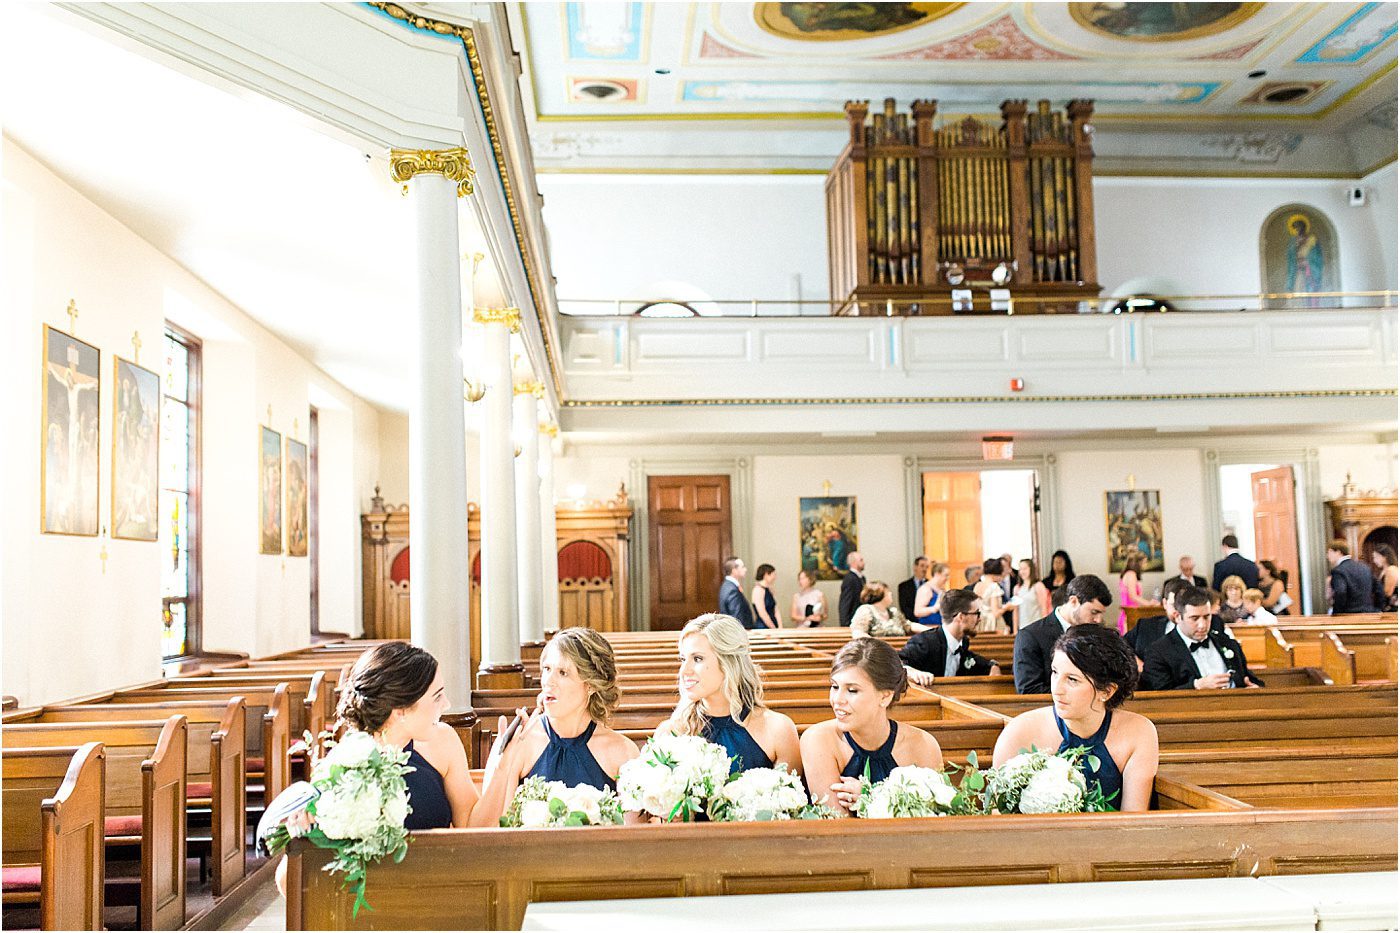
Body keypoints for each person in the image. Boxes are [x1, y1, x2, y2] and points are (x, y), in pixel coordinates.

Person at [272, 643, 476, 894]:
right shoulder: (345, 768)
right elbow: (287, 885)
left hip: (436, 892)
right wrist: (302, 837)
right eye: (437, 696)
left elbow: (473, 827)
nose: (446, 704)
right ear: (400, 711)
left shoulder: (442, 741)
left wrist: (503, 768)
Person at [471, 628, 640, 825]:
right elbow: (491, 831)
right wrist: (503, 764)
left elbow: (633, 843)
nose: (548, 681)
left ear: (591, 685)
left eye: (563, 673)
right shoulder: (519, 744)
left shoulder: (623, 752)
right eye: (547, 669)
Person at [993, 625, 1159, 812]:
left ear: (1107, 691)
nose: (1057, 688)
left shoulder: (1139, 731)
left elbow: (1134, 821)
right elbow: (998, 816)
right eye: (1055, 672)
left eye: (1072, 679)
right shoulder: (1020, 732)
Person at [798, 638, 943, 817]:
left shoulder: (923, 745)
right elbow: (836, 828)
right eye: (835, 687)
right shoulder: (818, 739)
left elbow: (932, 823)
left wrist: (873, 798)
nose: (837, 700)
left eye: (852, 690)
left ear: (885, 697)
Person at [654, 614, 801, 775]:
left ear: (728, 663)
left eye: (697, 659)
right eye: (683, 659)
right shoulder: (671, 732)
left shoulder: (778, 729)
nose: (684, 671)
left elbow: (792, 796)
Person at [1141, 587, 1263, 691]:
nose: (1202, 625)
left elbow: (1251, 680)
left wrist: (1254, 688)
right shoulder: (1158, 652)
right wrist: (1196, 686)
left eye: (1206, 617)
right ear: (1178, 617)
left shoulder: (1228, 644)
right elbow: (1158, 696)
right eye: (1194, 618)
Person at [1013, 574, 1113, 694]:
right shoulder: (1030, 636)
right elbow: (1029, 690)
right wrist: (1080, 694)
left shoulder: (1097, 633)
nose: (1098, 619)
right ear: (1074, 601)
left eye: (1101, 613)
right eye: (1094, 612)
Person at [899, 589, 1001, 685]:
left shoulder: (963, 642)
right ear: (961, 617)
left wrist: (993, 666)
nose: (979, 619)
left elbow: (975, 660)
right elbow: (895, 663)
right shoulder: (925, 642)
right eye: (977, 613)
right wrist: (912, 672)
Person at [850, 580, 928, 638]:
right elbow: (858, 633)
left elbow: (908, 626)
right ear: (878, 594)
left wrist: (931, 631)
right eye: (887, 592)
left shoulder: (893, 612)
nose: (890, 594)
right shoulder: (866, 610)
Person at [1327, 540, 1377, 614]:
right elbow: (1378, 589)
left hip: (1348, 614)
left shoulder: (1338, 570)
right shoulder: (1365, 567)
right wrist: (1377, 608)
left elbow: (1340, 592)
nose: (1327, 556)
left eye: (1329, 552)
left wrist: (1337, 613)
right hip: (1368, 612)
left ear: (1338, 552)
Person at [1117, 551, 1159, 635]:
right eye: (1144, 562)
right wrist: (1149, 604)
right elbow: (1133, 596)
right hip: (1130, 614)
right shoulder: (1131, 574)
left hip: (1131, 612)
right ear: (1138, 563)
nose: (1145, 565)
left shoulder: (1129, 574)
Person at [1007, 558, 1048, 632]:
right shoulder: (1017, 589)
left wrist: (1045, 628)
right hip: (1023, 627)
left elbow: (1044, 608)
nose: (1022, 571)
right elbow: (1015, 611)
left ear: (1031, 569)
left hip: (1037, 626)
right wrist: (1015, 630)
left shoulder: (1038, 586)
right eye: (1020, 569)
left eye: (1025, 569)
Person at [718, 556, 754, 629]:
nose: (745, 569)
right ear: (734, 570)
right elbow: (737, 616)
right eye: (742, 567)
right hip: (737, 632)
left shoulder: (728, 585)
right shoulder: (732, 589)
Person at [972, 557, 1006, 633]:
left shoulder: (978, 585)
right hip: (992, 623)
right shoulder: (994, 586)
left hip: (980, 621)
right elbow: (995, 612)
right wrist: (1007, 607)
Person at [913, 561, 950, 625]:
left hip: (941, 627)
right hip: (928, 628)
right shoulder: (925, 589)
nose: (947, 578)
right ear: (937, 574)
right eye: (946, 575)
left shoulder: (942, 590)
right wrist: (934, 608)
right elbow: (917, 612)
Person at [897, 556, 930, 622]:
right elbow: (904, 607)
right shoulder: (904, 586)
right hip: (912, 622)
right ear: (915, 567)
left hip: (929, 621)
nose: (924, 569)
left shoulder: (931, 585)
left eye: (926, 567)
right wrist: (917, 619)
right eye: (922, 566)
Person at [838, 551, 866, 627]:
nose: (864, 562)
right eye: (861, 560)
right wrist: (845, 623)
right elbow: (845, 601)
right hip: (852, 619)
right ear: (854, 562)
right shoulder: (849, 578)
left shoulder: (862, 578)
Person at [750, 563, 779, 630]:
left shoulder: (770, 589)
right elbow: (762, 612)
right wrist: (773, 628)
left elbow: (776, 609)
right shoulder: (758, 590)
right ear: (766, 575)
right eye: (773, 574)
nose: (775, 577)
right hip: (763, 626)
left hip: (774, 624)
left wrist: (780, 626)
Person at [1371, 544, 1399, 612]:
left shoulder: (1391, 569)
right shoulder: (1384, 571)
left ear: (1385, 557)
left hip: (1392, 609)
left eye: (1376, 557)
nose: (1374, 561)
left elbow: (1387, 593)